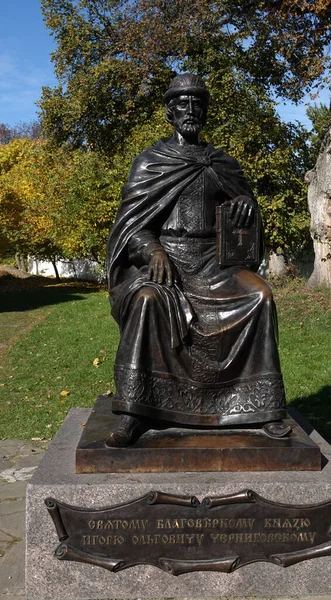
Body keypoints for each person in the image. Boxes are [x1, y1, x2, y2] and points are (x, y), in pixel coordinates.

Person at [105, 73, 291, 447]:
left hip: (215, 264)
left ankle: (261, 407)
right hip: (166, 261)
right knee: (146, 301)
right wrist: (152, 250)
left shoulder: (222, 163)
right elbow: (131, 226)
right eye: (183, 104)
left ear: (205, 111)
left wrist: (245, 208)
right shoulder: (150, 163)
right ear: (170, 112)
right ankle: (134, 410)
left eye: (197, 103)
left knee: (260, 297)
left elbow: (248, 220)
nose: (190, 110)